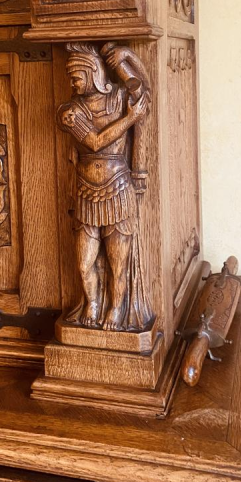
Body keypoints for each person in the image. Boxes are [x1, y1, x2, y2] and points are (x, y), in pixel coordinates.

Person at [56, 43, 154, 331]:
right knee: (85, 262)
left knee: (117, 262)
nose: (72, 84)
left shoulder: (121, 97)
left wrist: (127, 58)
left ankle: (115, 307)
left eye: (76, 77)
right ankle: (93, 303)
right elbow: (96, 142)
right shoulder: (71, 111)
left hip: (118, 188)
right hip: (86, 191)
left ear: (94, 74)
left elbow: (143, 93)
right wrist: (130, 118)